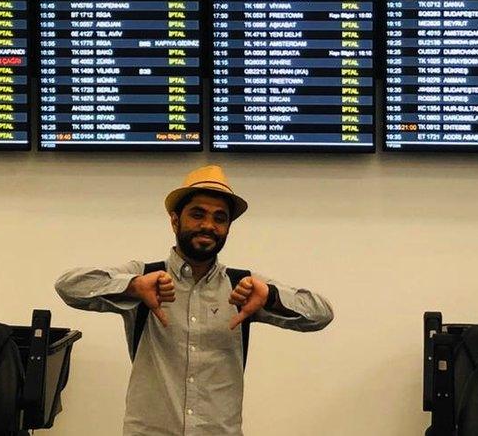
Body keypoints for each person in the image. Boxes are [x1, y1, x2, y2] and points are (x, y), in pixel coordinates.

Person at [55, 165, 334, 436]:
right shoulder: (146, 278)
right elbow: (68, 286)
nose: (208, 226)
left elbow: (321, 314)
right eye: (197, 214)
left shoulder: (244, 287)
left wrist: (272, 297)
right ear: (175, 220)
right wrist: (132, 287)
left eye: (220, 218)